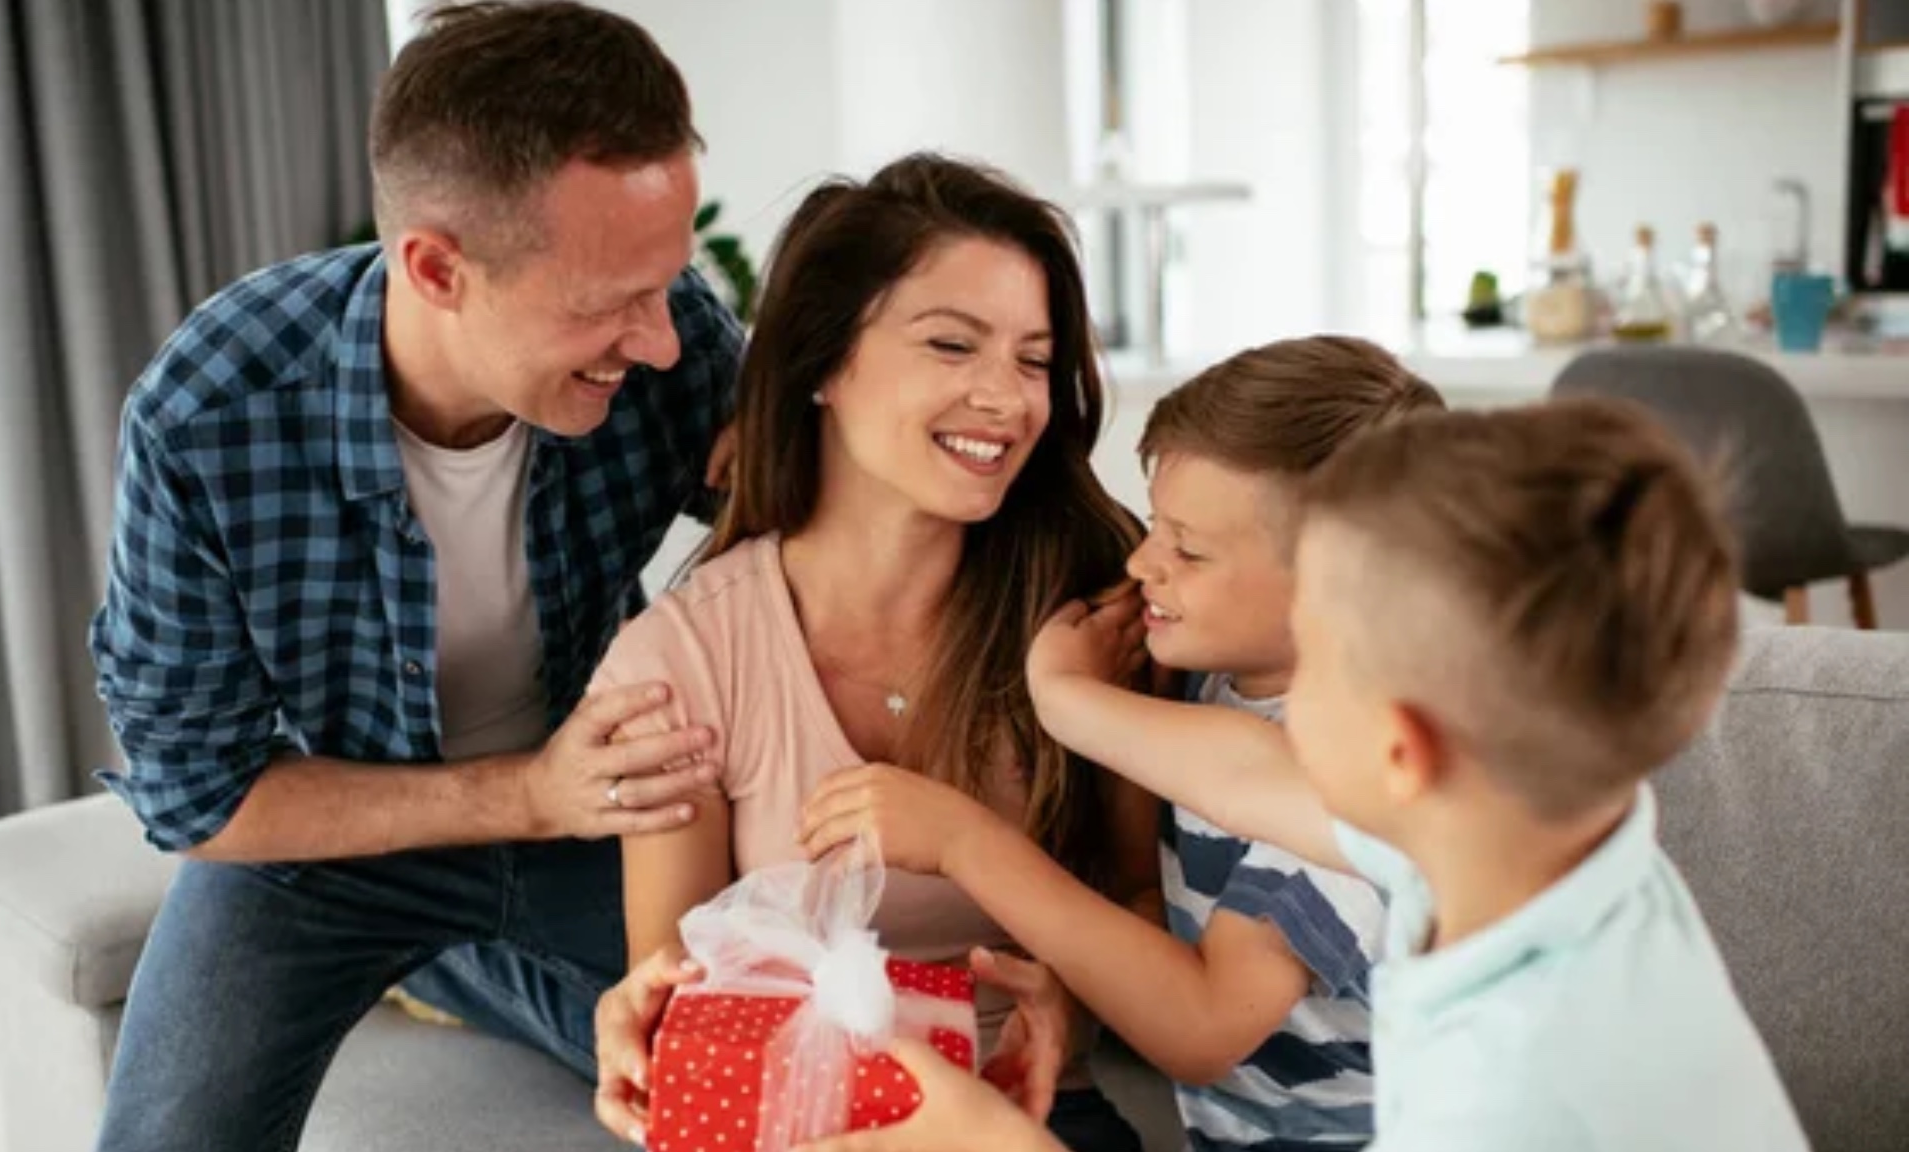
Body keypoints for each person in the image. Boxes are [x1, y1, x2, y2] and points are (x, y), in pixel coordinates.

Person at [801, 398, 1810, 1152]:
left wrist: (997, 1142)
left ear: (1399, 751)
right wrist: (1066, 702)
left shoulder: (1503, 1093)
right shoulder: (1522, 833)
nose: (1278, 709)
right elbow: (1247, 773)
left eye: (1315, 660)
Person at [85, 5, 741, 1149]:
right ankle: (444, 946)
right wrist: (525, 793)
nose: (662, 343)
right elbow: (199, 797)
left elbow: (812, 530)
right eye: (602, 305)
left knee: (738, 1075)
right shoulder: (207, 413)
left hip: (595, 821)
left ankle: (461, 962)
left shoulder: (664, 330)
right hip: (332, 843)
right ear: (436, 267)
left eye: (664, 284)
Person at [586, 154, 1160, 1152]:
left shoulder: (1088, 606)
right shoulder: (680, 657)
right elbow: (682, 977)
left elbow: (1141, 892)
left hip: (1027, 1110)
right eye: (951, 344)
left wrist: (1074, 1002)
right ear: (820, 363)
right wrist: (638, 1010)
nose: (1006, 398)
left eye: (1032, 360)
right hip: (795, 1112)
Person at [798, 337, 1444, 1150]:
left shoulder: (1352, 778)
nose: (1143, 563)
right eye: (1153, 526)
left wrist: (967, 841)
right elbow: (1146, 891)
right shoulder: (1227, 680)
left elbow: (1202, 1029)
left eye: (1189, 548)